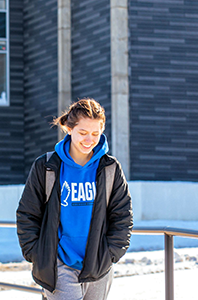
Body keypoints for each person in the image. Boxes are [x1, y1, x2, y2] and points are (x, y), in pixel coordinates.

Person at [16, 98, 133, 300]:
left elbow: (122, 216)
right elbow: (28, 214)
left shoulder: (110, 168)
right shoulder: (46, 166)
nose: (89, 140)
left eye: (95, 134)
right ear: (69, 129)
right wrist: (37, 255)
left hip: (99, 264)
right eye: (83, 133)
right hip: (58, 264)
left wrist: (110, 254)